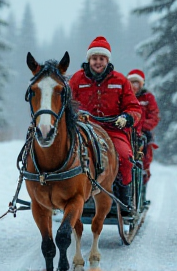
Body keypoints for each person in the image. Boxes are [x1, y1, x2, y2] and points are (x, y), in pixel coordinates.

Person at [69, 36, 142, 207]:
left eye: (101, 59)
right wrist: (75, 115)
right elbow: (66, 104)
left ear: (107, 60)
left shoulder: (121, 80)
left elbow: (134, 107)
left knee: (124, 157)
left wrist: (127, 118)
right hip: (84, 129)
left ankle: (124, 196)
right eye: (94, 58)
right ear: (89, 59)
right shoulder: (76, 80)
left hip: (113, 130)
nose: (98, 62)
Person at [127, 69, 160, 203]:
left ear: (141, 84)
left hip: (143, 133)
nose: (134, 86)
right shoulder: (125, 95)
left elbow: (154, 116)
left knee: (144, 160)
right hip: (127, 130)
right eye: (132, 82)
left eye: (137, 82)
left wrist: (141, 126)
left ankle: (142, 194)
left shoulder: (148, 98)